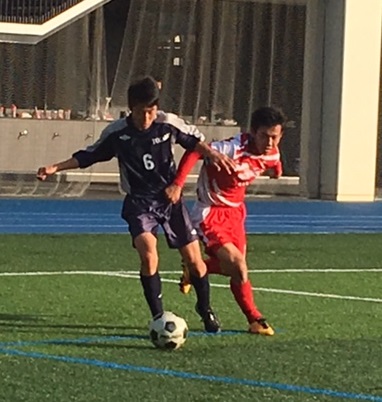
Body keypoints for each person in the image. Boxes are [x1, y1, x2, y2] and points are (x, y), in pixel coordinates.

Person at [36, 76, 236, 333]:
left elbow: (194, 144)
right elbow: (89, 155)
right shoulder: (118, 133)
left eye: (151, 111)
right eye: (142, 112)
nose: (147, 117)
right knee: (149, 254)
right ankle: (158, 317)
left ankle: (205, 308)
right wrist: (55, 167)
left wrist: (208, 156)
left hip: (170, 201)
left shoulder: (167, 123)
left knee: (195, 261)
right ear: (132, 108)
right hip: (139, 203)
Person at [165, 106, 286, 336]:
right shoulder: (231, 147)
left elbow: (273, 162)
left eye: (274, 137)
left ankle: (196, 270)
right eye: (264, 136)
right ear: (252, 132)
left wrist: (277, 170)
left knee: (239, 272)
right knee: (239, 265)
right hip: (210, 213)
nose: (269, 142)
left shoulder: (272, 152)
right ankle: (255, 317)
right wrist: (178, 184)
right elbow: (195, 152)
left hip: (236, 214)